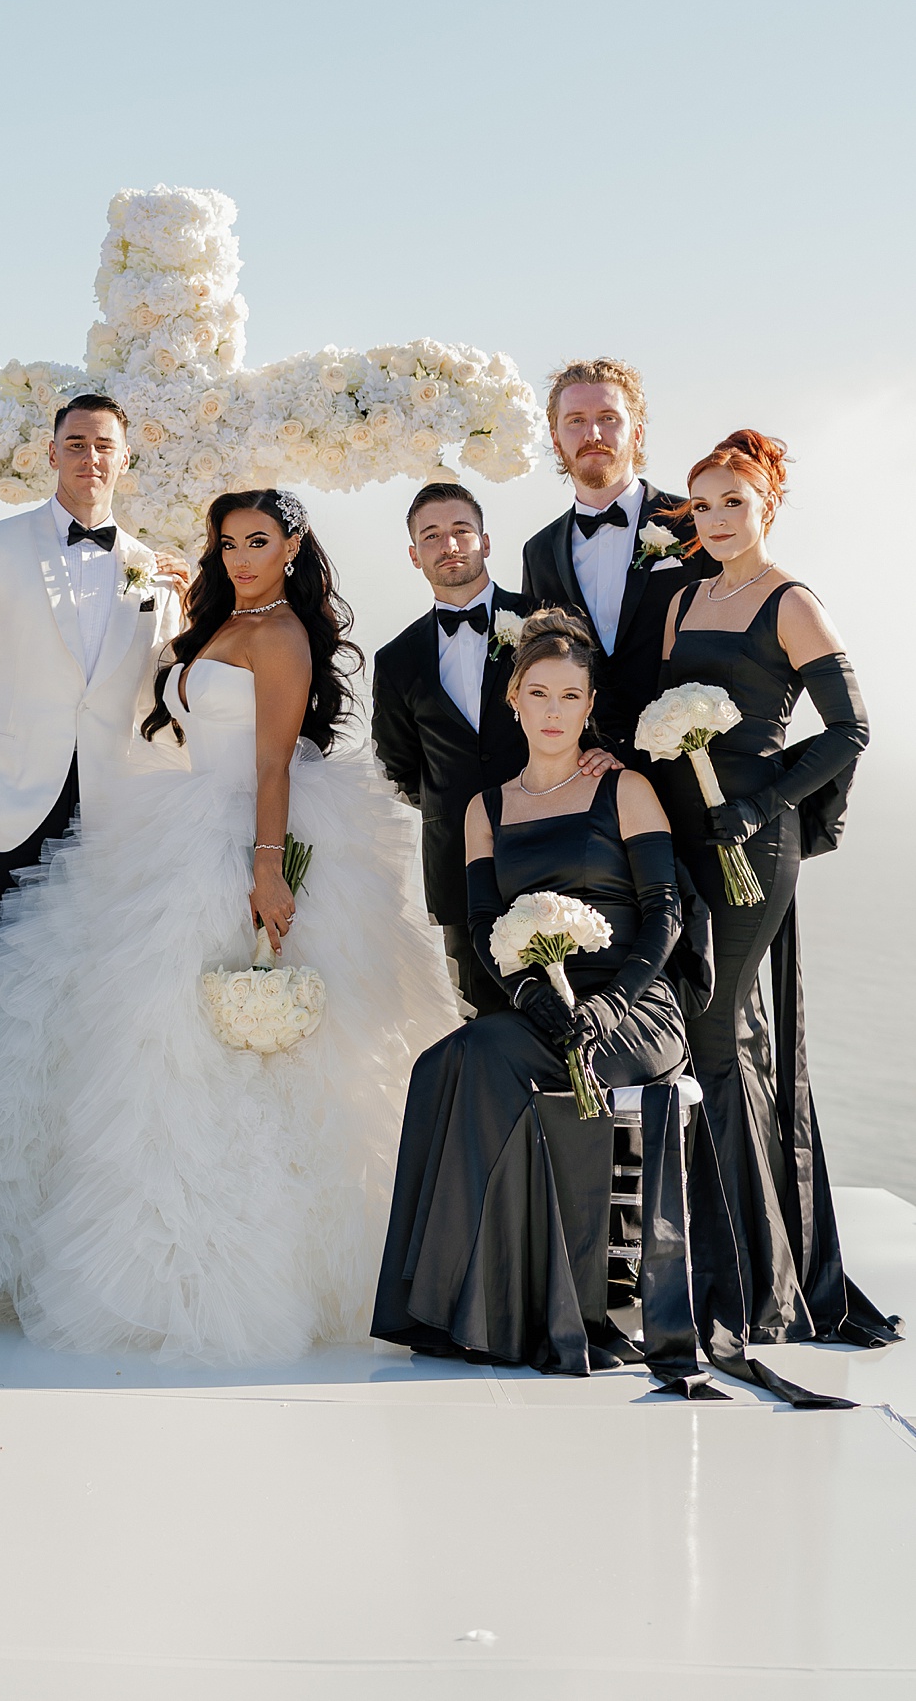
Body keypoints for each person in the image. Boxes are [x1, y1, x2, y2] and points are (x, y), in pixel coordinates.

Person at [0, 489, 459, 1363]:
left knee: (238, 1045)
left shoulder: (285, 636)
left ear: (294, 546)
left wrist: (267, 868)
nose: (241, 557)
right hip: (181, 826)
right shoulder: (220, 621)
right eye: (228, 543)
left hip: (247, 834)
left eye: (258, 541)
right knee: (141, 1036)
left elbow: (273, 763)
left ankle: (234, 1266)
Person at [372, 610, 689, 1374]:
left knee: (486, 1056)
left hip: (633, 1004)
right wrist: (526, 994)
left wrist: (611, 1003)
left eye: (570, 697)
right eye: (539, 694)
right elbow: (484, 926)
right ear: (514, 698)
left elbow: (665, 915)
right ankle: (460, 1297)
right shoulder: (489, 807)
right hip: (537, 1005)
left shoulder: (626, 790)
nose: (553, 712)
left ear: (588, 705)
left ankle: (538, 1310)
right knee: (440, 1064)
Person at [655, 430, 898, 1348]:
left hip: (752, 843)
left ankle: (753, 1282)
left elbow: (852, 731)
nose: (717, 519)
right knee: (694, 1030)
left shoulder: (792, 602)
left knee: (717, 1031)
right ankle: (718, 1261)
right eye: (704, 504)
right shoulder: (684, 601)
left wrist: (757, 807)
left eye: (734, 503)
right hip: (680, 835)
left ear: (768, 507)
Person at [0, 392, 184, 946]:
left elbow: (159, 700)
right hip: (4, 803)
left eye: (104, 446)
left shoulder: (150, 571)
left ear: (125, 458)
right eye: (76, 444)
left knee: (91, 979)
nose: (91, 457)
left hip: (111, 812)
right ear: (51, 454)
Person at [372, 480, 535, 1018]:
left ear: (485, 542)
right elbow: (397, 767)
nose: (450, 545)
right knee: (483, 1024)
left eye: (461, 531)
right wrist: (461, 809)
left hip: (556, 846)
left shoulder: (543, 622)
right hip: (458, 871)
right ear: (414, 555)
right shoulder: (396, 659)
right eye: (433, 536)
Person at [521, 360, 711, 755]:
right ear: (556, 440)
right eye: (575, 421)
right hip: (587, 777)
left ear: (637, 432)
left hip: (694, 765)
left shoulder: (697, 524)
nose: (593, 434)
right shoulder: (538, 552)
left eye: (608, 418)